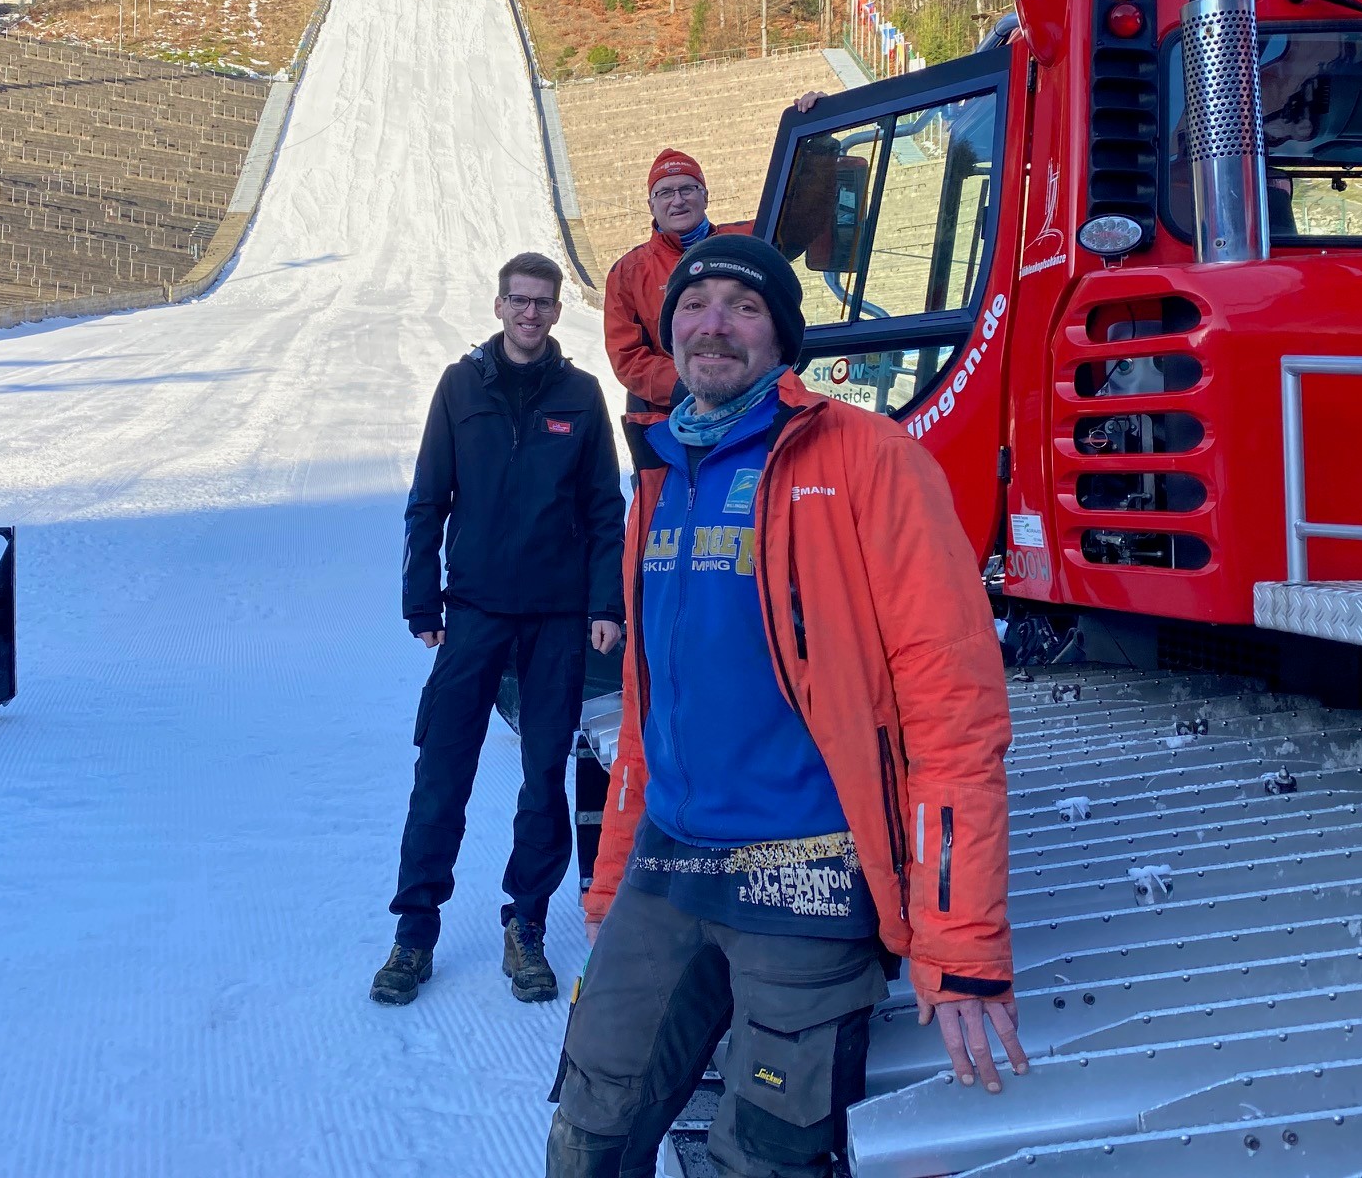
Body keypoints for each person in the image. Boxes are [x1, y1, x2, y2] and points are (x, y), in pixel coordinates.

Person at [547, 234, 1026, 1177]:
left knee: (763, 1160)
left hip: (807, 878)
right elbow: (649, 710)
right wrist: (607, 884)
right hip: (667, 867)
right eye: (693, 305)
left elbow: (953, 709)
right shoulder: (659, 477)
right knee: (587, 1128)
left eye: (742, 306)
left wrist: (963, 942)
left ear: (782, 337)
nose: (712, 324)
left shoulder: (868, 460)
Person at [373, 251, 628, 1008]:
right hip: (475, 612)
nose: (530, 313)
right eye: (518, 300)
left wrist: (604, 606)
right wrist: (423, 600)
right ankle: (414, 934)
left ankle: (527, 926)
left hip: (553, 620)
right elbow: (429, 498)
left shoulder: (580, 396)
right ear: (498, 306)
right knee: (441, 774)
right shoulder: (460, 387)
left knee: (544, 777)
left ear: (555, 312)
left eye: (543, 303)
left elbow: (604, 513)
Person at [602, 149, 750, 421]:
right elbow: (627, 356)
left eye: (687, 189)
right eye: (666, 193)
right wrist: (696, 385)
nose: (678, 200)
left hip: (752, 403)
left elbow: (799, 223)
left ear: (705, 195)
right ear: (651, 205)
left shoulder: (745, 240)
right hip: (676, 417)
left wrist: (816, 143)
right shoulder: (629, 272)